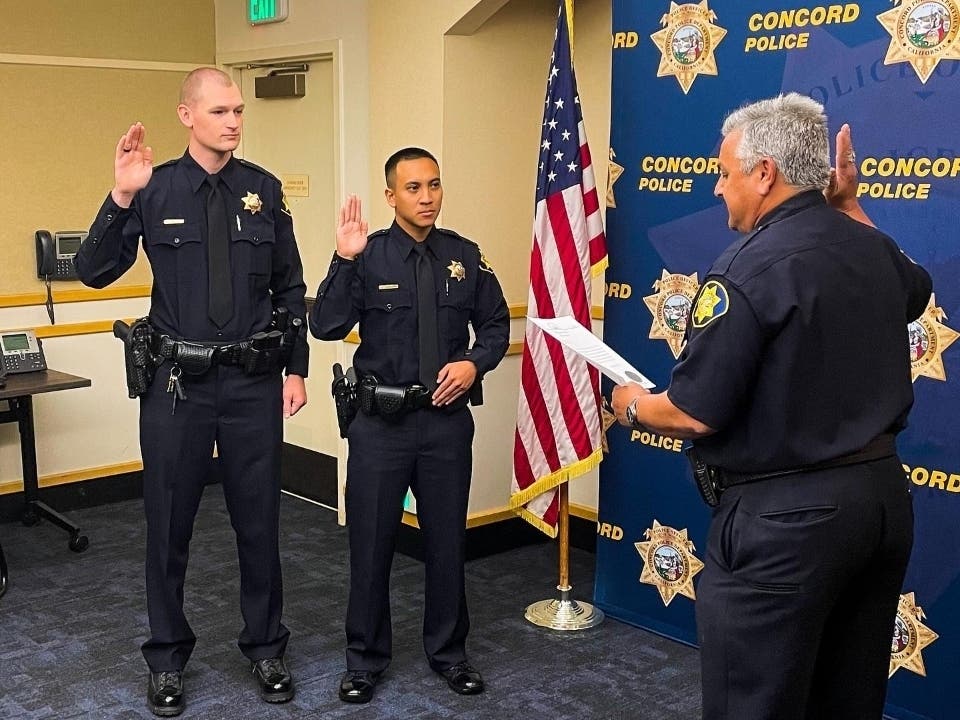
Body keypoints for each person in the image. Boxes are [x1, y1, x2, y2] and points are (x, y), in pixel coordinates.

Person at [612, 94, 931, 720]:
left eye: (725, 172)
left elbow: (693, 413)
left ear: (764, 173)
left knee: (751, 704)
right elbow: (916, 293)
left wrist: (632, 407)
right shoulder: (873, 247)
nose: (717, 187)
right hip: (880, 507)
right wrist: (849, 204)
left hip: (784, 522)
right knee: (848, 698)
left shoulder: (746, 268)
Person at [74, 67, 308, 716]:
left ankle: (266, 647)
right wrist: (120, 197)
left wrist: (298, 367)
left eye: (239, 110)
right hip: (176, 386)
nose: (234, 120)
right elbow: (93, 271)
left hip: (253, 384)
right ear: (187, 115)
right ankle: (167, 658)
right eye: (221, 110)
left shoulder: (262, 191)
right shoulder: (154, 188)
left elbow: (289, 287)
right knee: (168, 524)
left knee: (258, 523)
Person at [309, 148, 510, 704]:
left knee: (447, 542)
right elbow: (324, 325)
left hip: (445, 424)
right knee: (371, 544)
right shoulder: (368, 256)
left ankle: (449, 653)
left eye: (435, 186)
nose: (426, 198)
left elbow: (495, 324)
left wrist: (474, 362)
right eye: (414, 188)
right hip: (382, 425)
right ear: (391, 195)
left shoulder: (464, 257)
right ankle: (365, 660)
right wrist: (343, 260)